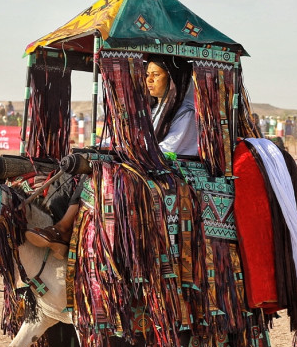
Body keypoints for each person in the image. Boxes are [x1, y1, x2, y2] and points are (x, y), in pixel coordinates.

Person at [27, 55, 197, 258]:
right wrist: (96, 148)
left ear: (173, 79)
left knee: (96, 172)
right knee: (71, 169)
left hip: (166, 171)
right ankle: (57, 227)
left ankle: (63, 228)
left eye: (156, 75)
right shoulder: (150, 111)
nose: (149, 80)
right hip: (141, 163)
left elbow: (166, 149)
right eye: (147, 75)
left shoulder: (185, 114)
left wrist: (121, 152)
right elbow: (124, 138)